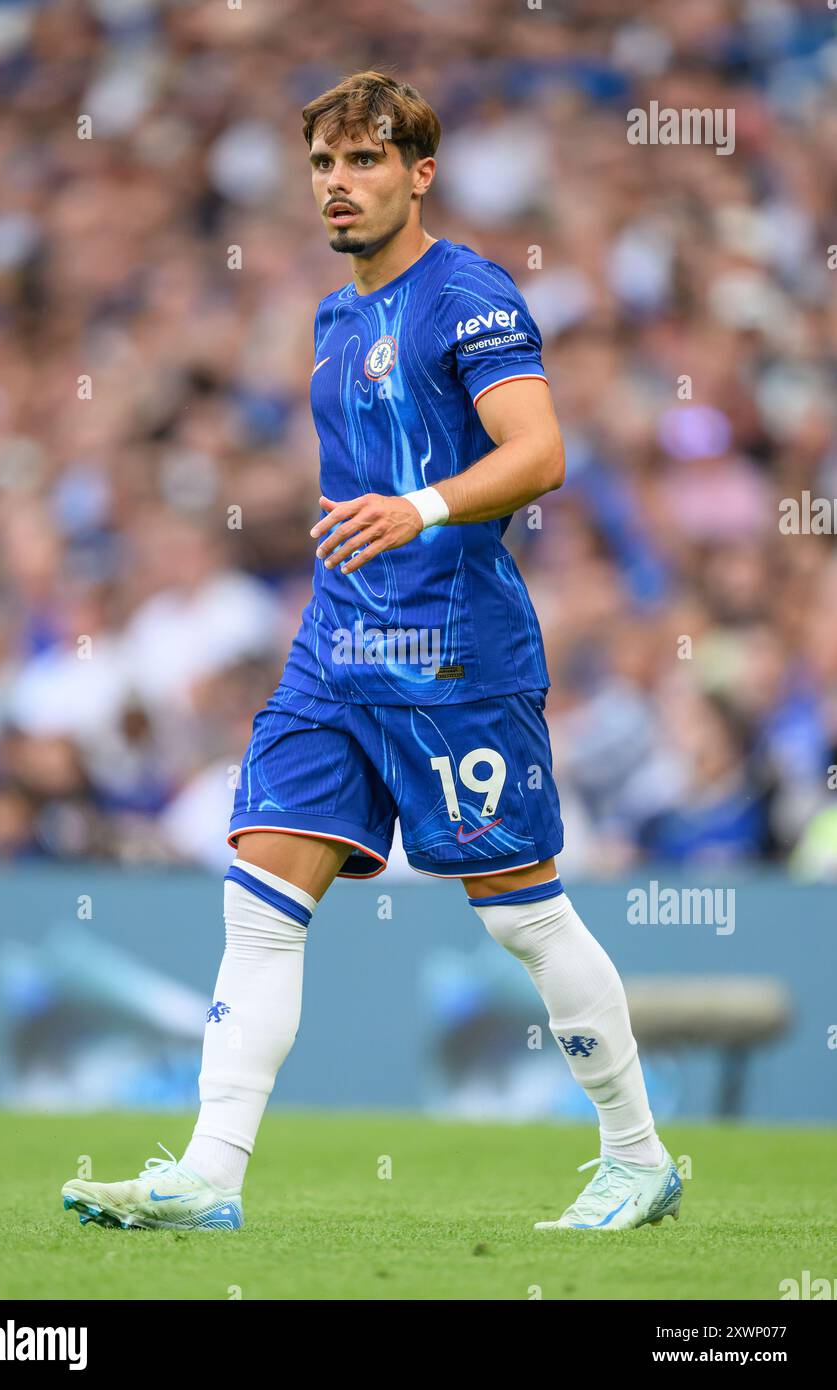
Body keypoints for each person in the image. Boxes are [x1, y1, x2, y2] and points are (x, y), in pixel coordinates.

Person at [62, 71, 681, 1234]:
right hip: (335, 646)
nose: (339, 185)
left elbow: (540, 451)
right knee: (259, 890)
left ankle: (637, 1155)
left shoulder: (469, 294)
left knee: (521, 914)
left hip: (453, 656)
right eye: (323, 165)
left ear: (418, 173)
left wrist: (424, 507)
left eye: (365, 162)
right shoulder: (333, 315)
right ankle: (209, 1174)